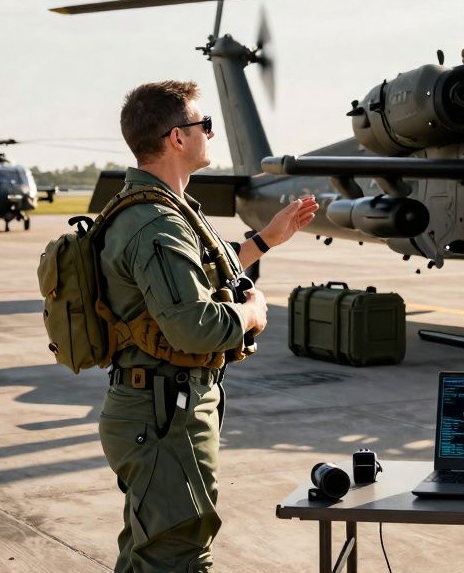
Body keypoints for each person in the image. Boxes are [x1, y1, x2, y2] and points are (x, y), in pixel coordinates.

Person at [97, 80, 318, 572]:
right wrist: (254, 313)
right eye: (205, 125)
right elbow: (194, 325)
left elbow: (188, 280)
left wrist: (264, 241)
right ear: (178, 137)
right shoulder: (157, 224)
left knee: (148, 554)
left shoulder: (155, 211)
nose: (211, 135)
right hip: (164, 417)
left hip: (157, 409)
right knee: (178, 556)